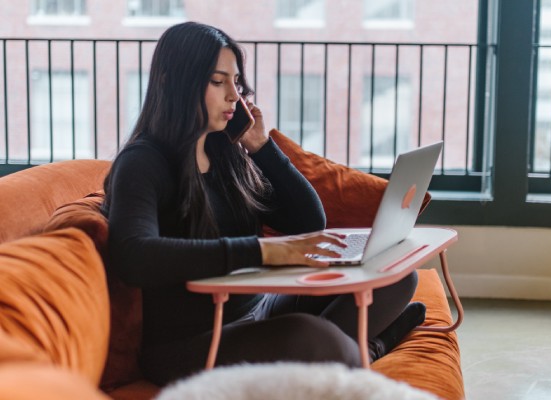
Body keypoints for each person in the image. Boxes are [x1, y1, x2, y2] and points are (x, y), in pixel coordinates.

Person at [102, 22, 425, 386]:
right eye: (217, 81)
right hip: (191, 345)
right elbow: (134, 255)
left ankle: (351, 351)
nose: (233, 97)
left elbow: (308, 221)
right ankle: (368, 348)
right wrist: (266, 251)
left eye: (236, 83)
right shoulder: (143, 162)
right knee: (319, 340)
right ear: (169, 80)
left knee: (396, 279)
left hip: (258, 309)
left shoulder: (225, 152)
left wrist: (261, 147)